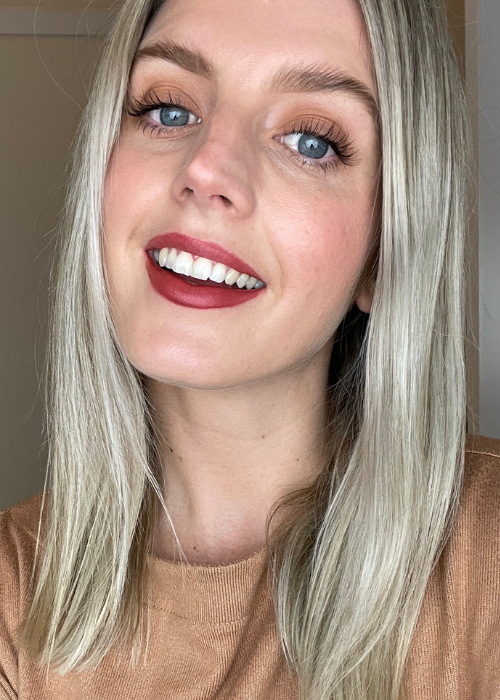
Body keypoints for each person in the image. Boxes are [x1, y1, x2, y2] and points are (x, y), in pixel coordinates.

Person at [1, 0, 499, 697]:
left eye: (311, 141)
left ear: (385, 253)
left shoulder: (487, 557)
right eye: (169, 109)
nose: (207, 169)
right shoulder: (13, 594)